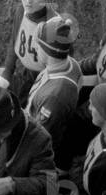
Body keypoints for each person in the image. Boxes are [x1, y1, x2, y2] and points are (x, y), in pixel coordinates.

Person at [24, 15, 82, 172]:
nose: (35, 48)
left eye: (38, 45)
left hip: (41, 160)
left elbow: (38, 142)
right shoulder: (71, 64)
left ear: (47, 51)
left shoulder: (55, 96)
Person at [1, 0, 56, 105]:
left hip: (40, 84)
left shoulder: (52, 23)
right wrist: (6, 75)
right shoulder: (21, 12)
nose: (28, 0)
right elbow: (14, 44)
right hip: (19, 77)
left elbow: (58, 66)